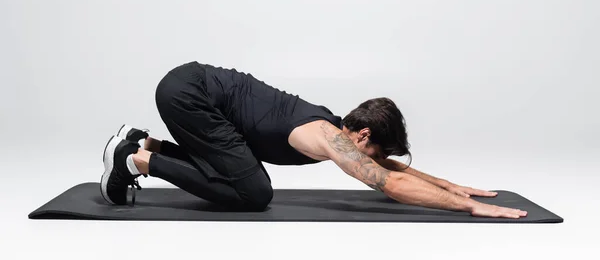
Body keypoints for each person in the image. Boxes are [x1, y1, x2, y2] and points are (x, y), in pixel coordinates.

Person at [101, 61, 527, 219]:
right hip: (190, 95)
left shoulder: (334, 128)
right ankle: (133, 160)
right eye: (375, 151)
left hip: (191, 88)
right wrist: (469, 207)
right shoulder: (327, 136)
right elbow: (388, 182)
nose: (374, 161)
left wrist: (448, 185)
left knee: (235, 168)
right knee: (253, 192)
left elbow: (388, 168)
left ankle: (145, 143)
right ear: (363, 135)